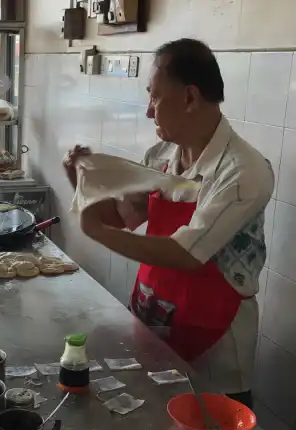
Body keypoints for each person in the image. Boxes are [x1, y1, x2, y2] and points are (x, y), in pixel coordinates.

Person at [64, 38, 274, 410]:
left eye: (155, 98)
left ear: (190, 98)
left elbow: (186, 252)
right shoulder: (161, 155)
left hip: (214, 344)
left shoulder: (242, 171)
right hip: (154, 320)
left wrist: (97, 231)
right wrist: (83, 185)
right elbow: (124, 217)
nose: (148, 111)